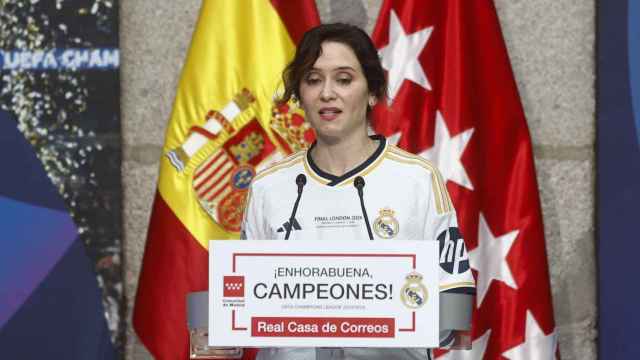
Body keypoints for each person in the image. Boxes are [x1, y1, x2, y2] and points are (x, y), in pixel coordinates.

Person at [241, 23, 475, 360]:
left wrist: (381, 307)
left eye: (344, 79)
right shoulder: (267, 186)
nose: (327, 93)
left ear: (373, 92)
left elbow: (455, 309)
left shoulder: (417, 179)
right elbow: (238, 303)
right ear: (298, 95)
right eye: (312, 79)